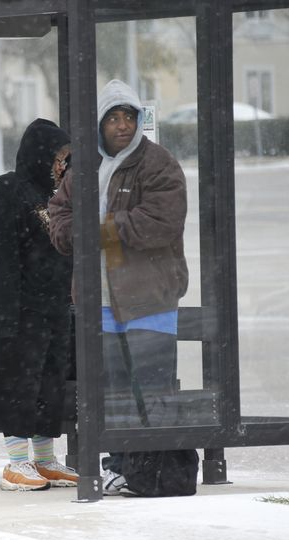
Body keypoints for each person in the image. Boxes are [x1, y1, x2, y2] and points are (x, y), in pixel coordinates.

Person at [49, 79, 189, 495]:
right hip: (99, 305)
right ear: (99, 124)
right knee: (112, 392)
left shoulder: (158, 163)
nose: (123, 125)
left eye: (130, 116)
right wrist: (92, 233)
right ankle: (119, 465)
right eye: (114, 117)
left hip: (151, 303)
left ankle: (153, 471)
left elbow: (161, 223)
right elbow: (59, 222)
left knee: (151, 390)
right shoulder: (83, 171)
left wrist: (101, 230)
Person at [0, 118, 79, 491]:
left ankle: (45, 460)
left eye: (67, 158)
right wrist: (5, 317)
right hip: (12, 304)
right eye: (58, 157)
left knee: (49, 379)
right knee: (17, 375)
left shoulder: (59, 196)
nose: (62, 165)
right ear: (40, 155)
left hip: (50, 306)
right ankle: (16, 461)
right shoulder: (7, 190)